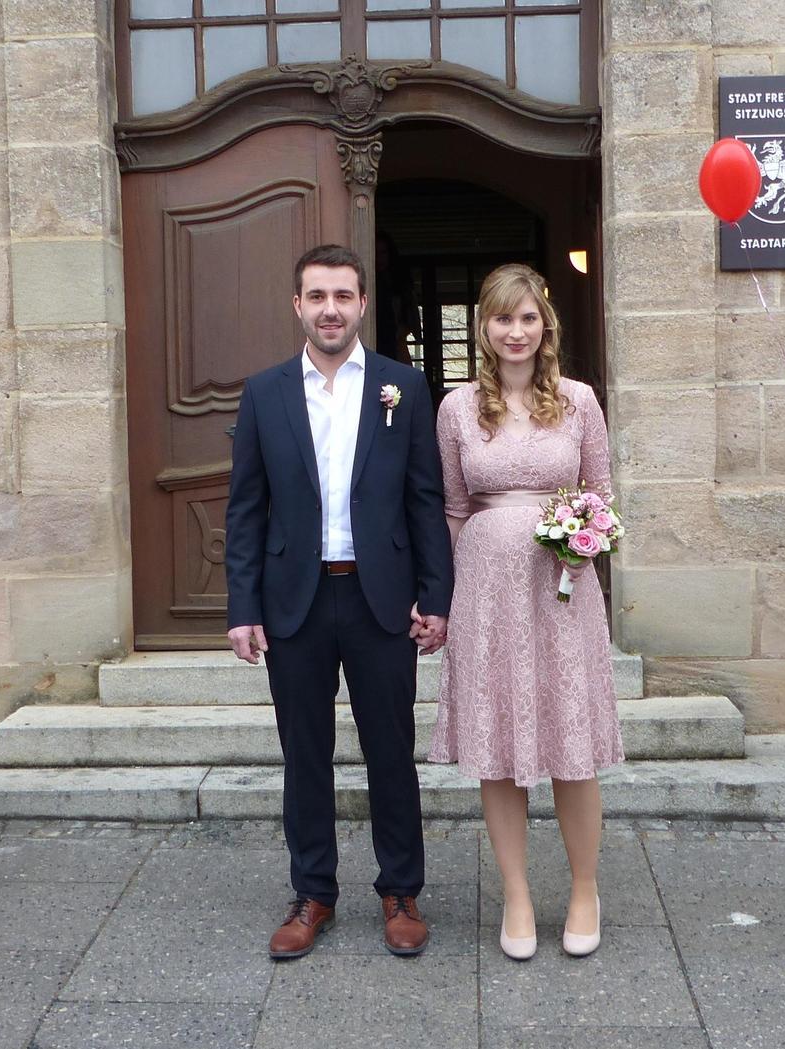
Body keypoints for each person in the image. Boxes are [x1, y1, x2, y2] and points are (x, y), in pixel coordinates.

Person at [223, 243, 453, 961]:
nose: (330, 308)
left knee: (391, 751)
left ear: (361, 304)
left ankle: (400, 890)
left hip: (380, 598)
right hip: (293, 599)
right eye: (316, 295)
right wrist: (242, 606)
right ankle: (312, 891)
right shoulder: (264, 392)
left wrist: (435, 596)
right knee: (304, 755)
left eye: (342, 296)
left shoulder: (401, 387)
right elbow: (246, 509)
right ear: (297, 304)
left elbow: (425, 500)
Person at [430, 263, 621, 961]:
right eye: (502, 318)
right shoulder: (455, 406)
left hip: (563, 589)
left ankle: (581, 887)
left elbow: (599, 492)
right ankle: (514, 891)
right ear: (483, 326)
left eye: (527, 317)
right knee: (499, 745)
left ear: (546, 326)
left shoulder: (577, 400)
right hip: (485, 590)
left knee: (570, 741)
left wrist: (585, 545)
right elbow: (453, 507)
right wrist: (455, 594)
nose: (516, 331)